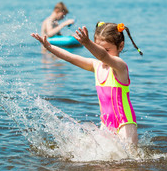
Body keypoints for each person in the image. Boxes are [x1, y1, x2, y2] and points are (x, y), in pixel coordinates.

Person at [31, 22, 143, 153]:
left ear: (121, 46)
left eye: (106, 49)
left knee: (126, 162)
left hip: (125, 124)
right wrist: (50, 47)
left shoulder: (120, 66)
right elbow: (71, 58)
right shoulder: (96, 65)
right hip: (105, 126)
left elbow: (103, 56)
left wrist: (87, 43)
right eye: (97, 48)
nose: (98, 53)